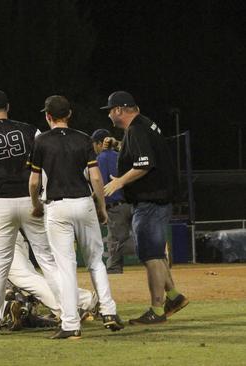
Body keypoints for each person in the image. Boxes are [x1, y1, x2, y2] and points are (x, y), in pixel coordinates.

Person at [0, 89, 60, 337]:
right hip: (30, 200)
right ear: (8, 107)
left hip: (1, 203)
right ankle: (67, 310)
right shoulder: (30, 130)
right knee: (46, 259)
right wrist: (43, 199)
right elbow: (47, 167)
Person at [29, 95, 123, 339]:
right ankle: (109, 311)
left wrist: (35, 204)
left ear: (48, 116)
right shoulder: (84, 139)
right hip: (83, 203)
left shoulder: (41, 141)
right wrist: (101, 206)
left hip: (57, 206)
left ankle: (71, 325)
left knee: (66, 267)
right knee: (95, 261)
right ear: (69, 114)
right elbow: (95, 178)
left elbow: (34, 181)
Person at [101, 90, 189, 324]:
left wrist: (119, 181)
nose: (109, 114)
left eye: (110, 110)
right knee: (155, 254)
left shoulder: (137, 129)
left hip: (151, 200)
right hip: (156, 199)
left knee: (151, 256)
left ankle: (157, 310)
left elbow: (144, 164)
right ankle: (174, 296)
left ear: (119, 109)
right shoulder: (145, 124)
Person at [91, 129, 134, 274]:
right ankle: (115, 267)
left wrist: (93, 202)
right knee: (118, 238)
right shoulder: (120, 155)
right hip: (129, 203)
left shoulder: (101, 159)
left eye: (94, 144)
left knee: (116, 240)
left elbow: (100, 184)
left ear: (99, 143)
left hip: (114, 205)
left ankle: (157, 247)